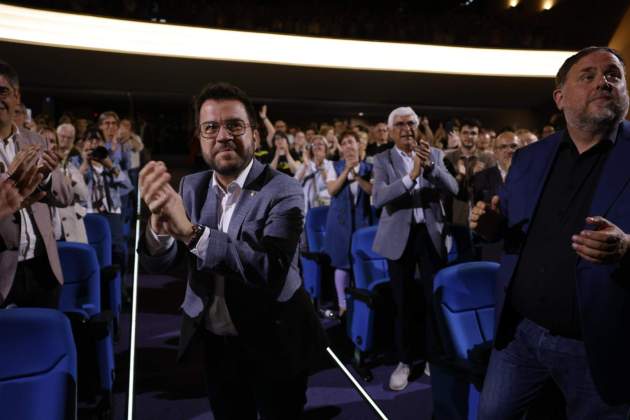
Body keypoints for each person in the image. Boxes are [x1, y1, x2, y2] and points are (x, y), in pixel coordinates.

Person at [138, 82, 325, 420]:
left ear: (255, 134)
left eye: (234, 126)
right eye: (211, 127)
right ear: (201, 137)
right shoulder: (190, 186)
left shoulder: (285, 190)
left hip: (275, 338)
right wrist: (157, 227)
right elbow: (163, 263)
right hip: (215, 339)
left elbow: (269, 268)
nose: (222, 135)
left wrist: (191, 233)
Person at [473, 46, 630, 419]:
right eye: (587, 76)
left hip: (601, 346)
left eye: (613, 75)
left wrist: (628, 247)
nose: (603, 82)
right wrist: (492, 227)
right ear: (560, 98)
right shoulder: (529, 158)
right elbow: (511, 230)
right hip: (520, 337)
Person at [372, 107, 458, 391]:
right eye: (400, 124)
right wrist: (411, 177)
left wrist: (430, 169)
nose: (406, 128)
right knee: (403, 302)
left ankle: (433, 356)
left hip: (430, 235)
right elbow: (379, 197)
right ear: (390, 130)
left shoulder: (433, 154)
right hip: (399, 239)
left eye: (411, 123)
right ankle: (405, 361)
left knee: (434, 299)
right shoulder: (382, 158)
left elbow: (454, 188)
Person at [0, 60, 73, 308]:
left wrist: (49, 176)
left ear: (16, 96)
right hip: (3, 273)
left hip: (44, 269)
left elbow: (65, 197)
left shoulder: (36, 140)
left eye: (3, 92)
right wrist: (9, 180)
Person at [323, 130, 374, 317]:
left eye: (351, 142)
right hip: (339, 223)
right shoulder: (334, 166)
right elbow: (332, 190)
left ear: (358, 145)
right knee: (341, 263)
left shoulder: (368, 168)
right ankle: (342, 304)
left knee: (360, 262)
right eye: (344, 143)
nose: (348, 146)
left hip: (362, 222)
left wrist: (357, 176)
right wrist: (346, 171)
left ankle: (361, 301)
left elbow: (372, 191)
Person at [293, 134, 333, 211]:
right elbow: (295, 183)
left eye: (320, 144)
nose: (317, 147)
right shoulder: (306, 164)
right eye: (314, 145)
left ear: (326, 148)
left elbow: (330, 184)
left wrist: (321, 165)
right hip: (307, 206)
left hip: (325, 206)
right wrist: (306, 164)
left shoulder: (330, 164)